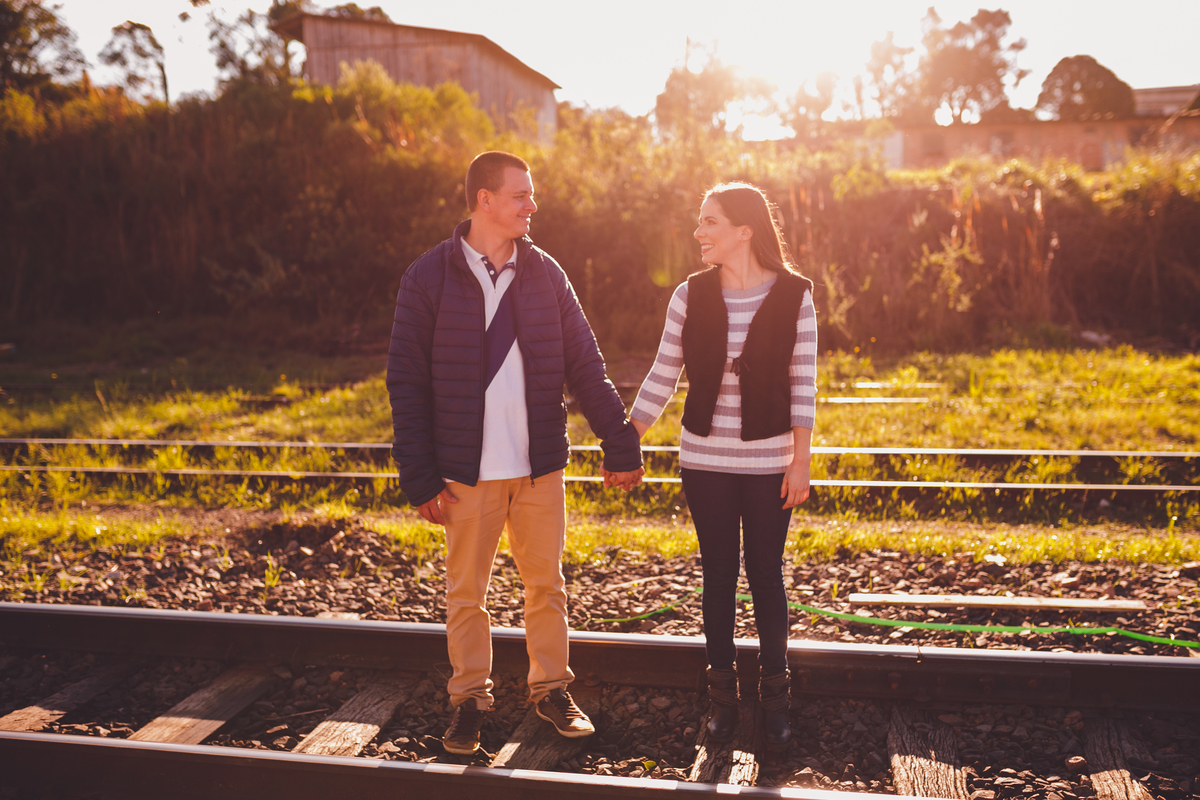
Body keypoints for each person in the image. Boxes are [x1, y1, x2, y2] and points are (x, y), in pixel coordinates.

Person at [387, 151, 645, 755]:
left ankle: (551, 689)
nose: (533, 205)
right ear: (484, 200)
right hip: (462, 473)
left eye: (531, 195)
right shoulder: (427, 277)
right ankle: (469, 701)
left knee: (545, 587)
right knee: (465, 595)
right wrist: (420, 476)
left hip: (538, 470)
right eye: (520, 195)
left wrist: (619, 438)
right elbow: (406, 382)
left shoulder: (546, 274)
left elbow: (585, 365)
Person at [629, 182, 816, 748]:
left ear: (744, 230)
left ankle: (776, 701)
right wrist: (626, 438)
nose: (698, 232)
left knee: (765, 574)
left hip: (769, 461)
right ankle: (722, 702)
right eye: (699, 221)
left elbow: (803, 382)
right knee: (717, 576)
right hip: (705, 459)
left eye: (710, 222)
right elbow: (664, 372)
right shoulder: (690, 294)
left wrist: (800, 461)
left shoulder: (795, 294)